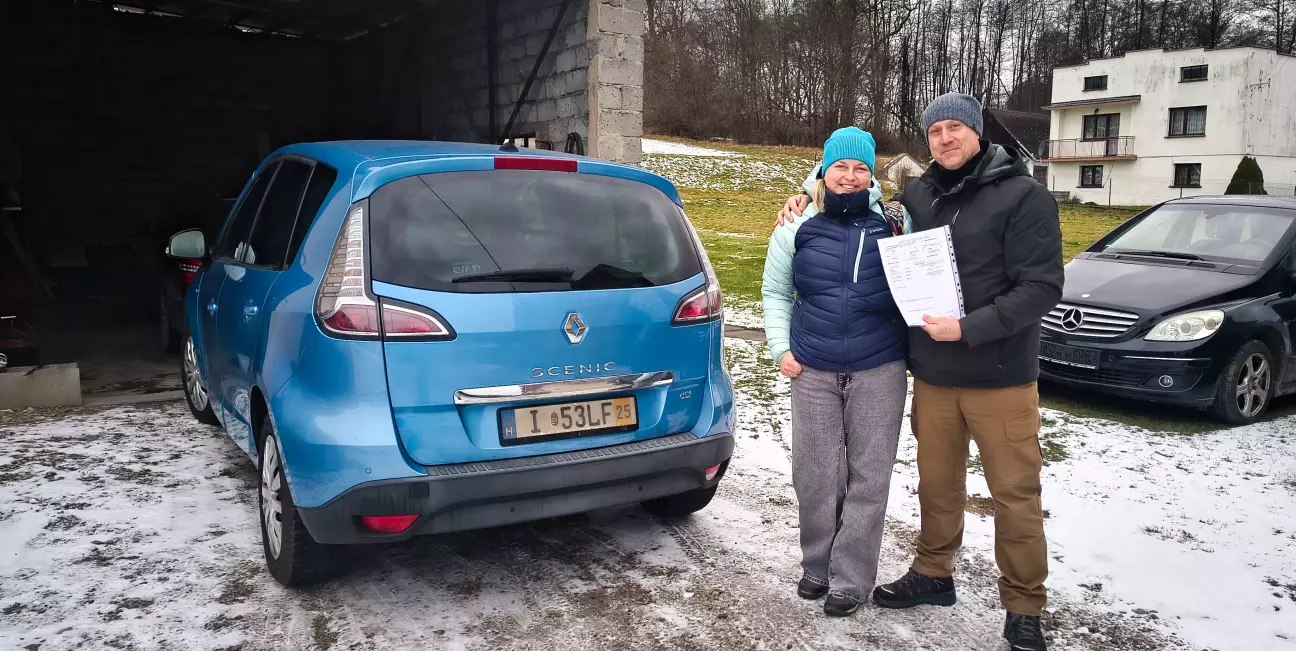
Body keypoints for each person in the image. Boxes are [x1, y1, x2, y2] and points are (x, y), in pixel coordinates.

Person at [776, 94, 1063, 651]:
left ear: (977, 132)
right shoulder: (918, 197)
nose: (945, 138)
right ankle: (934, 573)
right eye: (935, 131)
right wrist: (803, 197)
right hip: (933, 373)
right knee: (937, 485)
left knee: (1014, 493)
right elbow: (849, 195)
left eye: (955, 127)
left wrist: (969, 328)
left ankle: (1024, 604)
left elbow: (1042, 288)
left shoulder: (1024, 196)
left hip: (999, 374)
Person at [762, 126, 911, 618]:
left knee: (869, 476)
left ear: (872, 175)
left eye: (860, 167)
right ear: (824, 171)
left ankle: (851, 579)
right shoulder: (796, 223)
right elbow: (776, 292)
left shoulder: (894, 222)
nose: (850, 176)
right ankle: (817, 565)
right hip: (813, 368)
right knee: (815, 473)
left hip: (879, 365)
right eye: (840, 166)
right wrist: (780, 348)